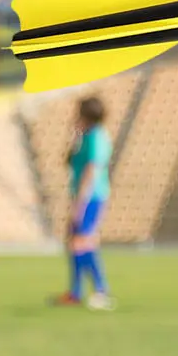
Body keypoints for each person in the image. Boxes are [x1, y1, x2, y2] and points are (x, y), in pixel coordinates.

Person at [53, 94, 115, 310]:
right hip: (84, 195)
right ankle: (75, 292)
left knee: (81, 242)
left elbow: (91, 171)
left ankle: (101, 290)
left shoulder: (98, 137)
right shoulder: (86, 136)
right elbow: (68, 161)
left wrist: (79, 204)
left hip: (92, 196)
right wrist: (74, 137)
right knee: (75, 242)